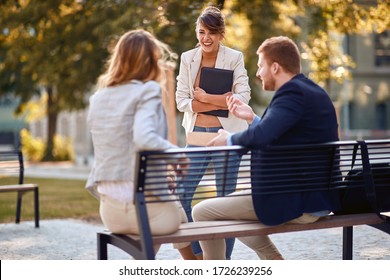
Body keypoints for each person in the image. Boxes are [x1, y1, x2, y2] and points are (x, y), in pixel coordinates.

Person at [192, 36, 341, 260]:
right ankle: (273, 261)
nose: (258, 73)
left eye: (261, 66)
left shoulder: (292, 94)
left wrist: (229, 140)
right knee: (228, 205)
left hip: (298, 199)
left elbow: (264, 136)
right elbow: (281, 136)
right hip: (314, 195)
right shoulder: (310, 91)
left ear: (275, 67)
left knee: (202, 212)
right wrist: (252, 118)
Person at [85, 29, 196, 260]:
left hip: (110, 214)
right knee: (176, 208)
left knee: (171, 203)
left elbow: (121, 147)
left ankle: (152, 264)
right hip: (148, 214)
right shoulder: (148, 90)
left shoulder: (97, 98)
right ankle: (199, 265)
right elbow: (143, 137)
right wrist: (177, 155)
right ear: (149, 61)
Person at [175, 6, 251, 259]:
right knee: (182, 194)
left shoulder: (234, 57)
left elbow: (243, 96)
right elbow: (181, 101)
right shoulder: (188, 58)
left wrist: (208, 98)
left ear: (221, 34)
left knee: (225, 201)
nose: (206, 38)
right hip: (197, 135)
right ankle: (199, 254)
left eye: (212, 33)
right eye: (201, 32)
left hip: (226, 137)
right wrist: (216, 101)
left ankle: (222, 261)